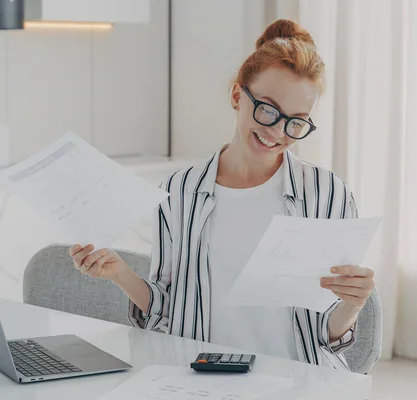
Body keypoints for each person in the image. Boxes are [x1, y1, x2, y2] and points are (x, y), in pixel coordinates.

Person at [69, 19, 377, 370]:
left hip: (300, 381)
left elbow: (326, 336)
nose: (277, 132)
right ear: (236, 95)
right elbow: (167, 314)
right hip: (203, 377)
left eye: (296, 121)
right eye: (267, 109)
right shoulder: (179, 191)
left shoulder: (328, 194)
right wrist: (120, 274)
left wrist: (353, 304)